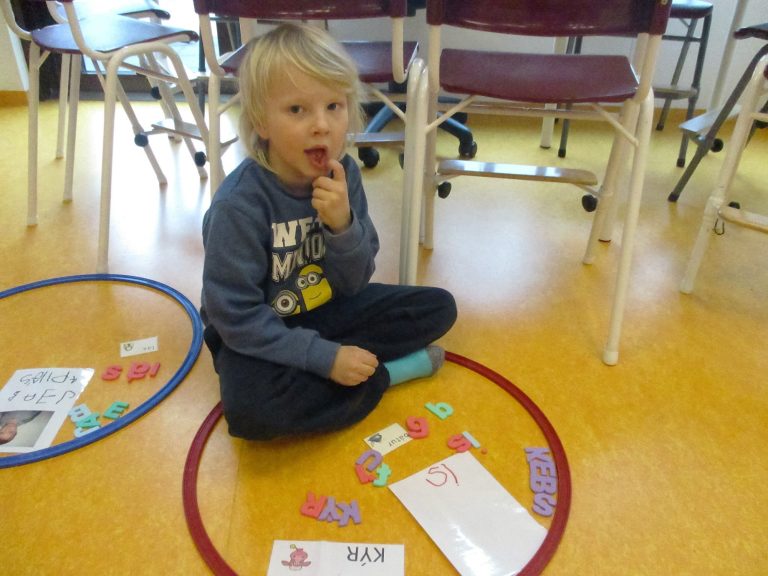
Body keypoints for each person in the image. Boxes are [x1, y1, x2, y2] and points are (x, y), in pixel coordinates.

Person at [200, 23, 457, 441]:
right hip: (257, 330)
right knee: (249, 412)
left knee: (438, 307)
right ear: (261, 122)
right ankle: (385, 375)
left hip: (325, 308)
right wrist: (324, 357)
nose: (321, 125)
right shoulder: (239, 205)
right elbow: (236, 317)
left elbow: (355, 283)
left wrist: (342, 226)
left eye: (334, 106)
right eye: (297, 110)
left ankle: (333, 374)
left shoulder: (344, 174)